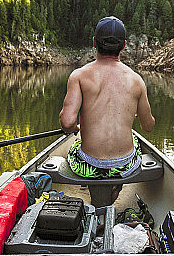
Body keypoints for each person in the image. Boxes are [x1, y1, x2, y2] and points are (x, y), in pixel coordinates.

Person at [59, 16, 155, 198]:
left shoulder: (78, 75)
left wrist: (74, 128)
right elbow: (148, 127)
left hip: (90, 165)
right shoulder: (137, 80)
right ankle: (114, 187)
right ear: (124, 45)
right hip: (126, 164)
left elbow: (67, 122)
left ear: (94, 42)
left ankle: (98, 197)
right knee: (135, 142)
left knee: (76, 146)